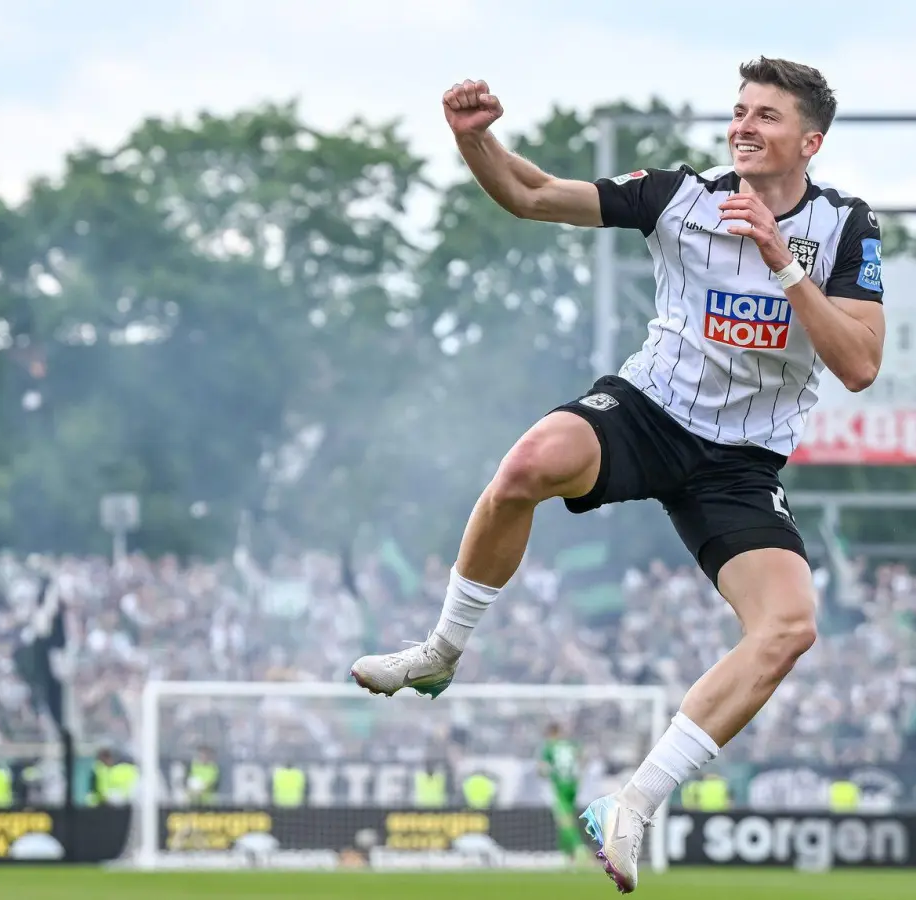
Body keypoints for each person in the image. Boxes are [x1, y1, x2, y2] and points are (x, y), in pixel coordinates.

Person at [350, 56, 885, 893]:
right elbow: (531, 194)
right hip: (649, 411)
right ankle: (441, 651)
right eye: (739, 111)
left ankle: (632, 803)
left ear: (809, 141)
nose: (744, 125)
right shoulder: (678, 195)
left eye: (767, 116)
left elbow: (858, 364)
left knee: (788, 628)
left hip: (740, 464)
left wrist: (785, 263)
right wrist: (476, 143)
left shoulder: (847, 227)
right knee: (527, 464)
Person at [538, 723, 587, 864]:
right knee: (566, 819)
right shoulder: (571, 744)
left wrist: (546, 773)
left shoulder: (549, 746)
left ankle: (579, 848)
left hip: (560, 785)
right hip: (573, 784)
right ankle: (567, 855)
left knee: (564, 819)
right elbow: (583, 757)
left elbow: (542, 769)